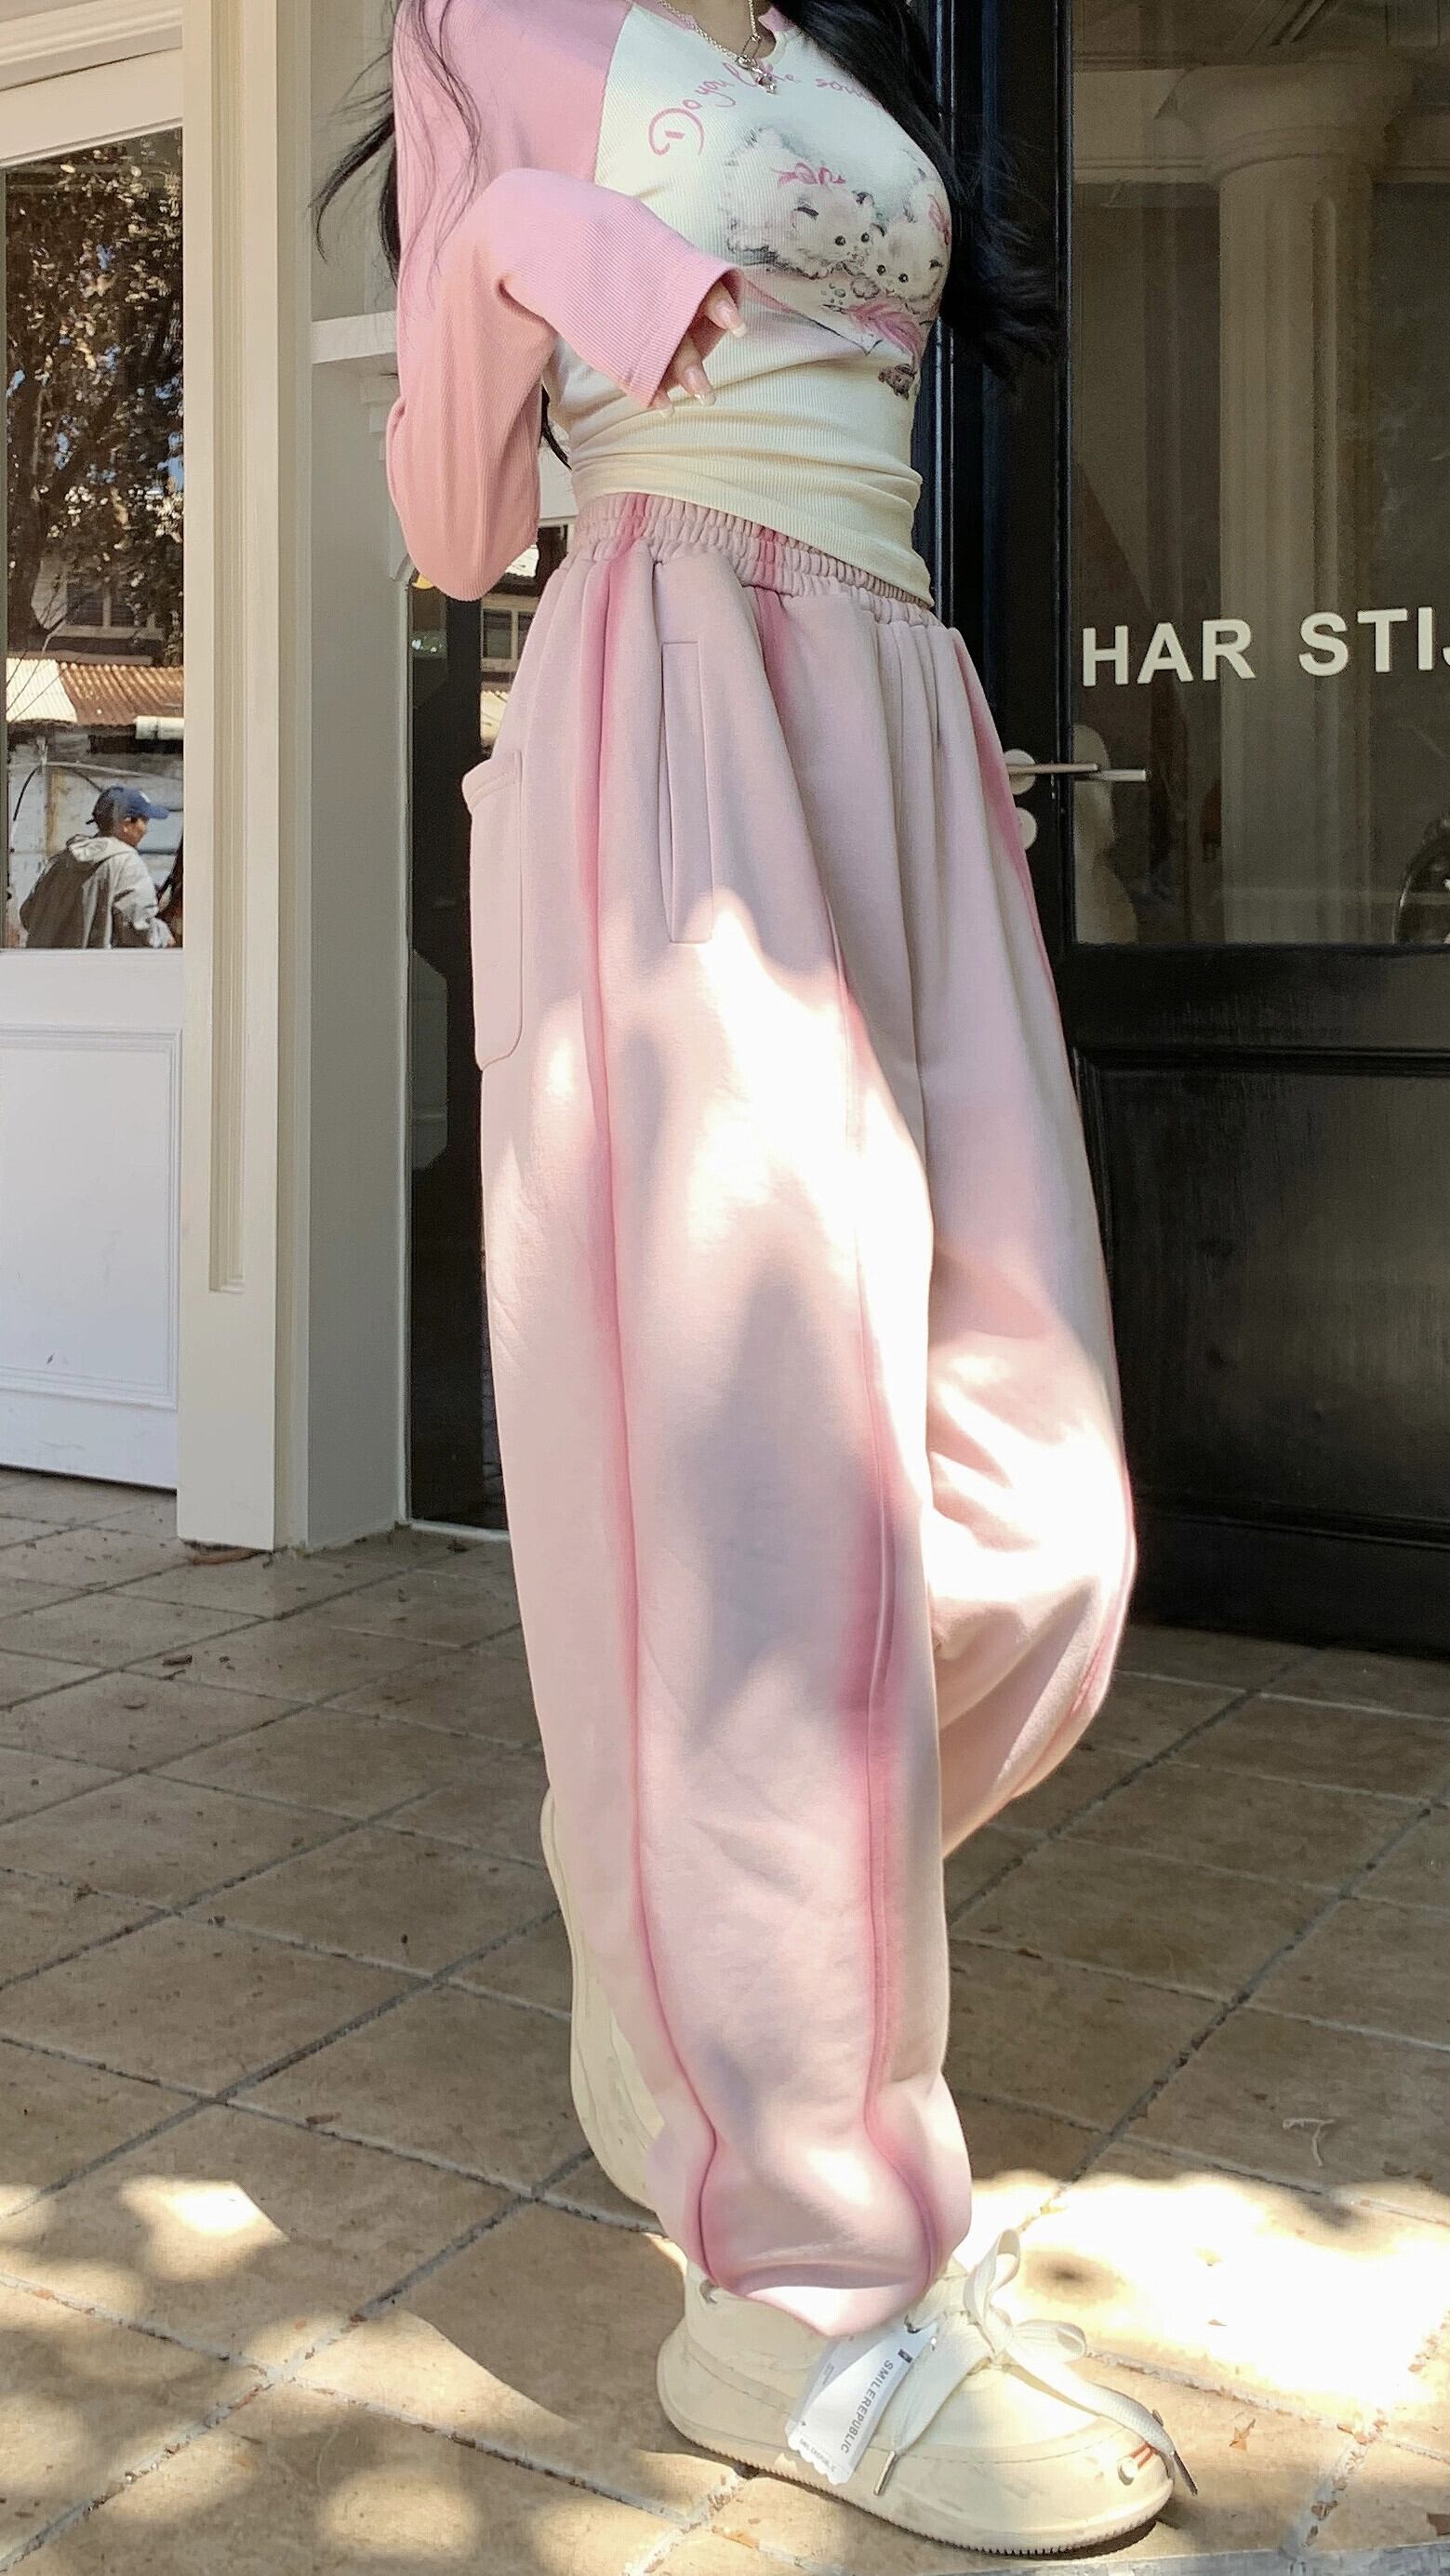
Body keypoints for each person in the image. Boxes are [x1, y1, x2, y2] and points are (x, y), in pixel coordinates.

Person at [325, 2, 1171, 2552]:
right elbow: (446, 523)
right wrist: (514, 241)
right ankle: (800, 2297)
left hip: (893, 708)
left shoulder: (818, 46)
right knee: (767, 1531)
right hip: (669, 691)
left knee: (1038, 1528)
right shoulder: (485, 23)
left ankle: (682, 1853)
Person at [20, 786, 174, 949]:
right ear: (126, 824)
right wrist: (164, 935)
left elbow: (27, 915)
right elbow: (139, 930)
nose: (146, 830)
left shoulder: (61, 861)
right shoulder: (127, 863)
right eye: (145, 821)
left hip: (43, 965)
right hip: (94, 965)